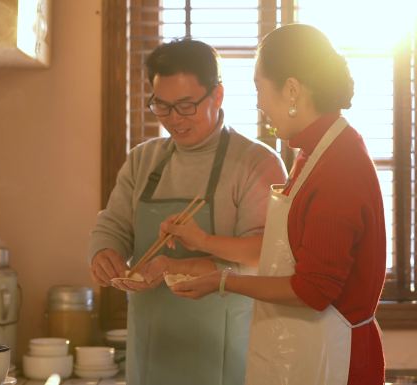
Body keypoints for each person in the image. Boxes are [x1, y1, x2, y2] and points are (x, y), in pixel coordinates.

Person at [163, 24, 387, 385]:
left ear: (292, 89)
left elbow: (312, 290)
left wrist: (224, 282)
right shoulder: (313, 152)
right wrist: (201, 247)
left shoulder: (338, 166)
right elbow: (283, 255)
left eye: (258, 88)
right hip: (311, 352)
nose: (259, 103)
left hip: (339, 361)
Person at [87, 38, 287, 385]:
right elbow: (115, 223)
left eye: (185, 106)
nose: (173, 120)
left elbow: (262, 258)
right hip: (152, 347)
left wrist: (176, 265)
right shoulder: (143, 160)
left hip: (225, 351)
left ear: (218, 95)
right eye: (161, 107)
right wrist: (105, 251)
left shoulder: (257, 163)